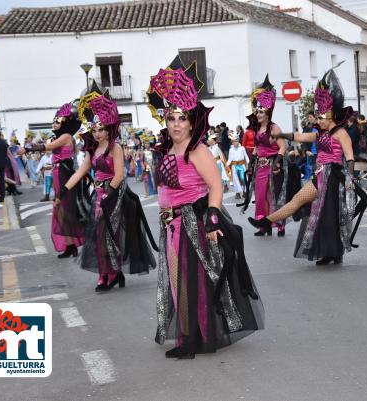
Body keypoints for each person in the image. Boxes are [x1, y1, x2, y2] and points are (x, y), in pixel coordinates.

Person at [147, 56, 263, 359]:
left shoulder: (197, 150)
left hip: (192, 223)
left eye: (182, 118)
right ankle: (188, 333)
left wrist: (212, 220)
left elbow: (215, 186)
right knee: (175, 282)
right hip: (170, 225)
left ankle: (195, 337)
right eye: (171, 118)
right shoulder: (167, 149)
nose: (176, 124)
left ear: (192, 120)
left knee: (193, 281)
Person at [249, 66, 367, 265]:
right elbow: (300, 136)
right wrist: (281, 135)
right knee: (297, 200)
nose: (318, 120)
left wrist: (348, 179)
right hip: (319, 176)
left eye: (321, 117)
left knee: (328, 217)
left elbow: (349, 157)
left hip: (334, 179)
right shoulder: (320, 134)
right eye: (318, 116)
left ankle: (332, 253)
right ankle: (266, 221)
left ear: (331, 116)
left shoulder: (341, 134)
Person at [58, 86, 157, 290]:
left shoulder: (115, 147)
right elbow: (80, 172)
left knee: (108, 235)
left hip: (115, 195)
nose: (97, 133)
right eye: (94, 130)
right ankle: (109, 272)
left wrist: (107, 196)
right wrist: (62, 192)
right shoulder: (93, 149)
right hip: (100, 195)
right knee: (99, 236)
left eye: (100, 129)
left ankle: (112, 273)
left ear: (108, 128)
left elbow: (119, 175)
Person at [26, 101, 86, 258]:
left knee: (64, 211)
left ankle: (72, 245)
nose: (54, 124)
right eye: (53, 121)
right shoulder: (61, 137)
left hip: (64, 176)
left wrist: (26, 148)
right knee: (61, 212)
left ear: (65, 123)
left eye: (57, 121)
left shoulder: (66, 136)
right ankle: (70, 245)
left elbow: (48, 147)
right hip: (58, 174)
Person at [240, 75, 287, 236]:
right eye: (257, 111)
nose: (258, 114)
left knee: (273, 196)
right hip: (260, 167)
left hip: (274, 167)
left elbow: (283, 146)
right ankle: (263, 224)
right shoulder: (257, 129)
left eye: (261, 112)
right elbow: (256, 148)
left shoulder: (274, 128)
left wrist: (277, 162)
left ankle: (279, 224)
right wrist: (251, 163)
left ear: (267, 112)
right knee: (260, 197)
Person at [226, 132, 249, 199]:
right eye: (233, 141)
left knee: (243, 178)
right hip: (234, 166)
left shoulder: (242, 148)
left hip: (242, 166)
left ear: (238, 141)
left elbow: (246, 157)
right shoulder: (231, 150)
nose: (234, 143)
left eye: (236, 141)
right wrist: (227, 164)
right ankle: (237, 193)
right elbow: (230, 159)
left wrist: (249, 163)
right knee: (235, 180)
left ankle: (244, 191)